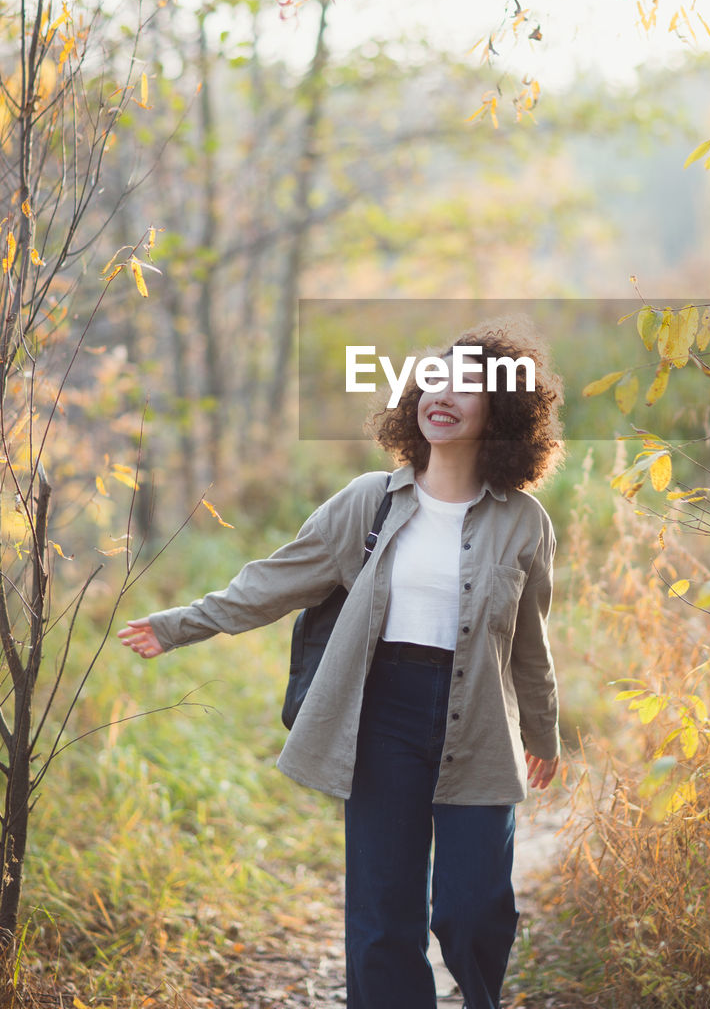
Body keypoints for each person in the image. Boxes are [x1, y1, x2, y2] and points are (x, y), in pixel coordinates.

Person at [119, 317, 564, 1009]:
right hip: (381, 718)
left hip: (478, 723)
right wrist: (180, 625)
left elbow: (529, 644)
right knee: (383, 913)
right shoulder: (367, 503)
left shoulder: (524, 522)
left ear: (501, 413)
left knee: (474, 907)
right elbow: (271, 581)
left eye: (468, 387)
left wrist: (543, 733)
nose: (442, 394)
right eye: (433, 380)